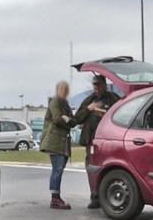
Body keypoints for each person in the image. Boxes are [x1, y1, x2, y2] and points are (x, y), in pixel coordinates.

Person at [75, 74, 120, 209]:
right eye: (94, 85)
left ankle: (109, 195)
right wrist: (89, 109)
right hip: (92, 141)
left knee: (112, 167)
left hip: (110, 140)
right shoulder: (89, 100)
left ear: (104, 85)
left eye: (98, 84)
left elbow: (123, 113)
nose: (96, 87)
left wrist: (105, 114)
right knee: (92, 167)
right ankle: (94, 197)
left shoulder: (113, 98)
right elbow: (77, 118)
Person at [39, 81, 76, 209]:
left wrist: (67, 118)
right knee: (57, 169)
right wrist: (66, 119)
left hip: (64, 141)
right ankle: (55, 198)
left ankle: (56, 196)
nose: (64, 91)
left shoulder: (65, 104)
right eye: (61, 89)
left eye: (66, 89)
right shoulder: (55, 102)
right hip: (54, 141)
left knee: (59, 169)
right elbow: (57, 119)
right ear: (58, 90)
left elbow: (74, 121)